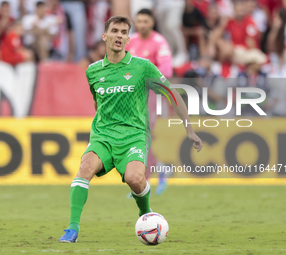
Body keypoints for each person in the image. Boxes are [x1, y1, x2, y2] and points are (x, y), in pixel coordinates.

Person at [58, 15, 202, 243]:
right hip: (103, 135)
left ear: (127, 39)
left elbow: (172, 94)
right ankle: (72, 228)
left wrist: (189, 129)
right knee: (85, 168)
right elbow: (98, 102)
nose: (119, 36)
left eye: (124, 32)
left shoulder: (142, 67)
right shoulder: (93, 71)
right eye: (115, 31)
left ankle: (146, 213)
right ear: (105, 36)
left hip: (133, 135)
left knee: (135, 179)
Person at [126, 8, 173, 195]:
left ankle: (149, 178)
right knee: (137, 138)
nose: (142, 25)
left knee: (145, 136)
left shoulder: (159, 42)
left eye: (145, 21)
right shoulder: (132, 42)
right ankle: (154, 173)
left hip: (152, 97)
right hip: (132, 98)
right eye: (139, 21)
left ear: (152, 22)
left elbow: (166, 70)